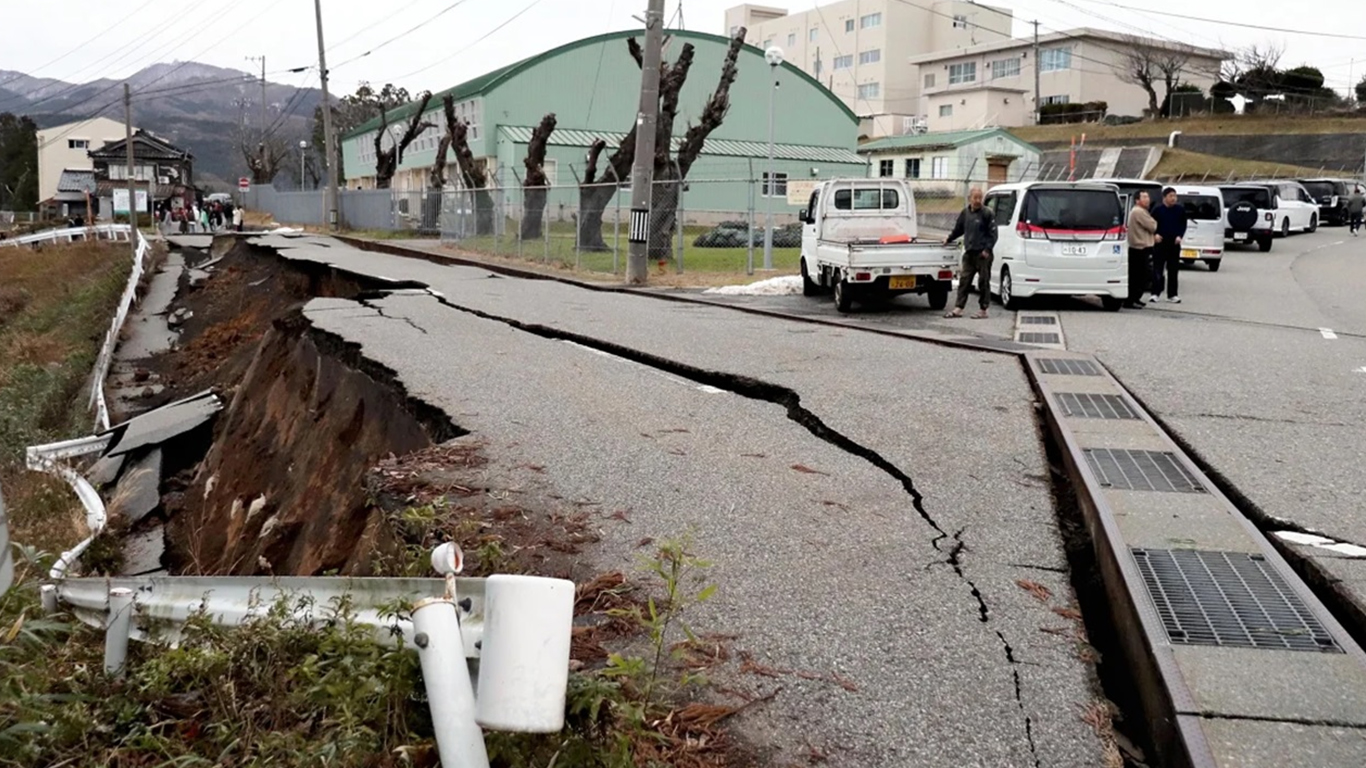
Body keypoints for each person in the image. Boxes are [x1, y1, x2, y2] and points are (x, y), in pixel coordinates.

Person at [942, 187, 998, 319]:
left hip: (983, 254)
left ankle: (983, 309)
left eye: (980, 197)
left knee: (983, 281)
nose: (978, 200)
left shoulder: (987, 213)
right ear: (970, 199)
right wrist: (949, 238)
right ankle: (959, 307)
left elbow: (993, 234)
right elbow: (959, 229)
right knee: (964, 281)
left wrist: (987, 250)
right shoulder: (965, 213)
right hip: (969, 253)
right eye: (975, 198)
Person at [1150, 187, 1187, 304]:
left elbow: (1183, 225)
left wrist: (1180, 236)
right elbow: (1151, 224)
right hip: (1160, 243)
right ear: (1164, 197)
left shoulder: (1180, 210)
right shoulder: (1157, 210)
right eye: (1171, 196)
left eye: (1175, 196)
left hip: (1174, 244)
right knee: (1158, 269)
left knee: (1173, 270)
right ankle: (1155, 293)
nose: (1173, 198)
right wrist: (1154, 235)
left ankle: (1172, 294)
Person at [1125, 190, 1158, 309]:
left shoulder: (1141, 211)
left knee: (1141, 275)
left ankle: (1135, 298)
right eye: (1144, 197)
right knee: (1138, 276)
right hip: (1139, 248)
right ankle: (1131, 299)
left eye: (1148, 197)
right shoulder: (1139, 211)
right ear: (1137, 200)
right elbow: (1153, 226)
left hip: (1140, 247)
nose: (1147, 199)